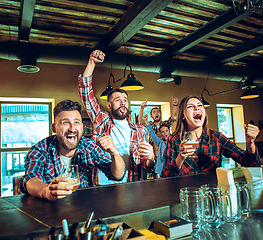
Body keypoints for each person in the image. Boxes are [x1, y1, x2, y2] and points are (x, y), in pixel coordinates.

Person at [20, 100, 125, 200]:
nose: (72, 128)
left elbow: (117, 175)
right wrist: (46, 191)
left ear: (82, 126)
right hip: (49, 210)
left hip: (83, 208)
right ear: (54, 128)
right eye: (65, 122)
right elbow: (30, 179)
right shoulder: (40, 149)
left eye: (76, 122)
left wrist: (114, 153)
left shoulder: (89, 146)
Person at [78, 50, 155, 184]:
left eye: (125, 99)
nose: (123, 102)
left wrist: (151, 158)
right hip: (102, 185)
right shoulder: (102, 120)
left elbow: (145, 165)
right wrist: (92, 62)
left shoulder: (140, 130)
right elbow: (86, 94)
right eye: (118, 100)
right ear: (109, 104)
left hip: (131, 184)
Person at [163, 95, 261, 177]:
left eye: (200, 105)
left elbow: (251, 163)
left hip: (211, 195)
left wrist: (250, 144)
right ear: (183, 115)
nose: (196, 108)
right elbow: (167, 176)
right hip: (185, 195)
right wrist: (181, 157)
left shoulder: (216, 138)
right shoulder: (174, 140)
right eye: (190, 106)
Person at [138, 111, 171, 178]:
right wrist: (146, 121)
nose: (165, 133)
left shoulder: (174, 142)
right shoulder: (161, 143)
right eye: (162, 132)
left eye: (166, 131)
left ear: (169, 131)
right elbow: (152, 134)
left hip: (171, 170)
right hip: (160, 171)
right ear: (161, 134)